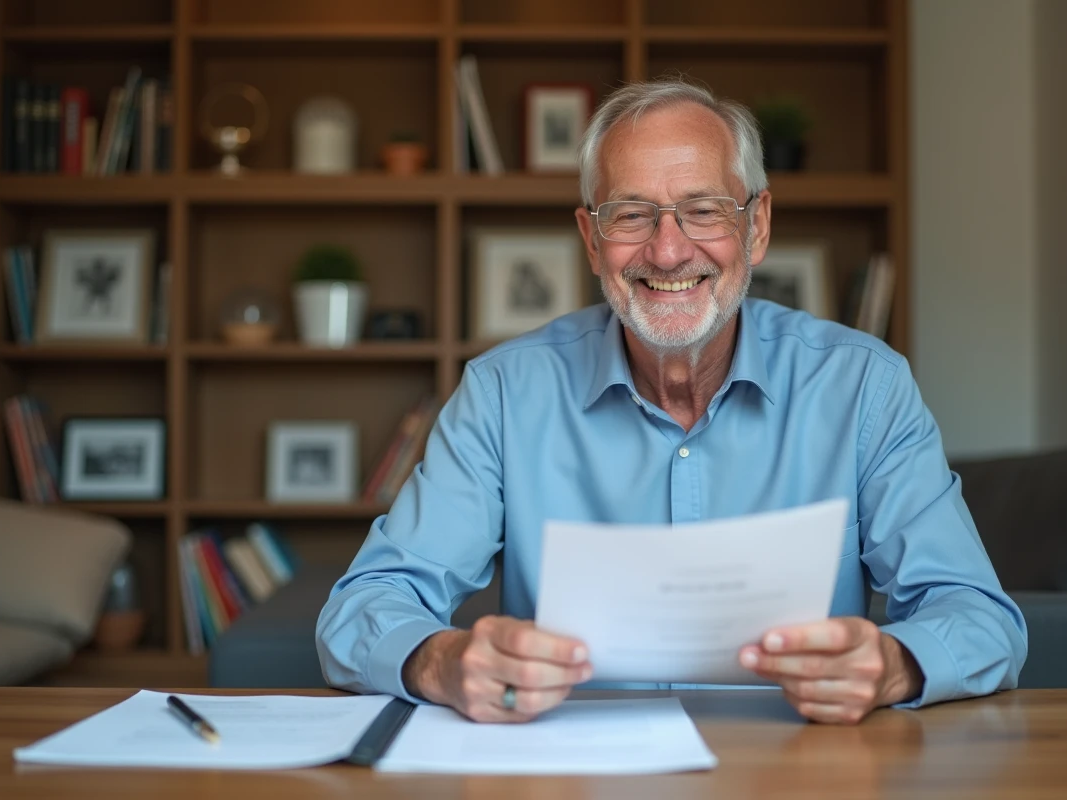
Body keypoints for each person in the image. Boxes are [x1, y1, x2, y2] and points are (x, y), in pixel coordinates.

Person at [317, 79, 1027, 725]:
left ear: (756, 226)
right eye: (631, 215)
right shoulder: (504, 394)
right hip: (572, 776)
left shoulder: (864, 387)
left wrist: (892, 667)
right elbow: (363, 607)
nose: (666, 251)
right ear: (591, 240)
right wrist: (442, 662)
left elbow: (979, 616)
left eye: (703, 210)